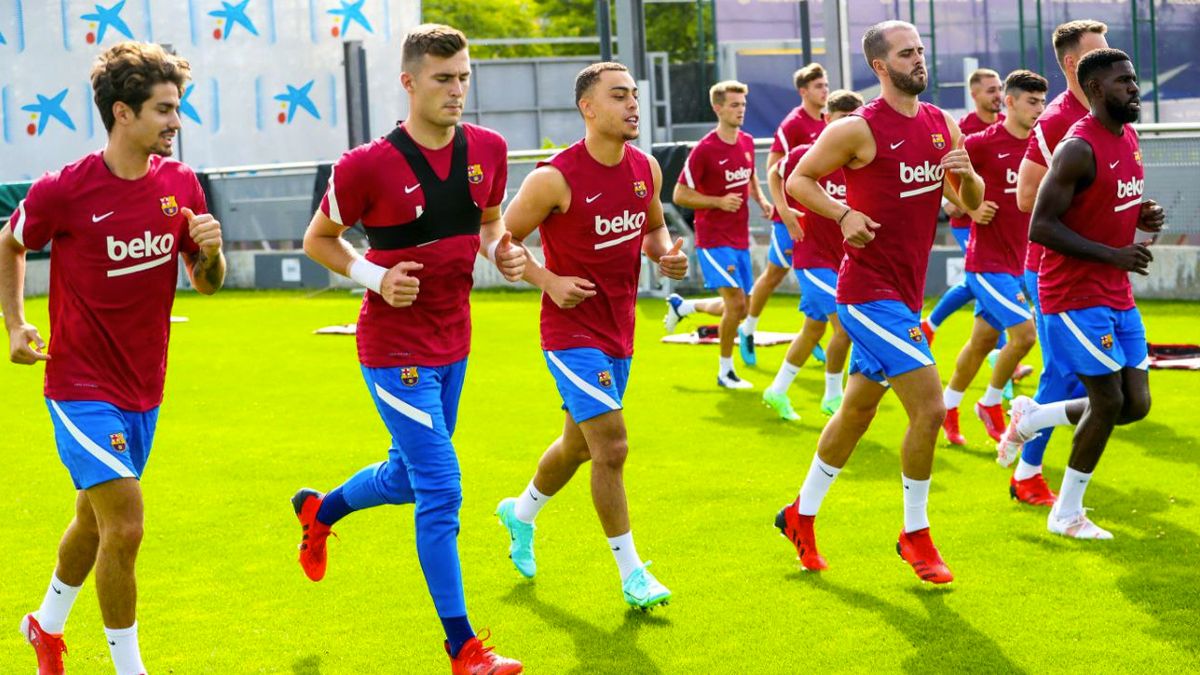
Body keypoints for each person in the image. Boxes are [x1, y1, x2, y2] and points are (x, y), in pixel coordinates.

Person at [291, 24, 523, 673]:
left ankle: (321, 508)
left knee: (403, 477)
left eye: (463, 78)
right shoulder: (366, 164)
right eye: (443, 78)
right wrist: (374, 276)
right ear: (410, 81)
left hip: (456, 340)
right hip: (394, 349)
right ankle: (463, 647)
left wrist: (500, 250)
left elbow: (489, 218)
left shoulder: (490, 148)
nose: (456, 91)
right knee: (441, 490)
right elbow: (319, 238)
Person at [3, 41, 225, 675]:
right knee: (125, 526)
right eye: (162, 110)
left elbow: (208, 284)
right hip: (78, 384)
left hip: (144, 386)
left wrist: (209, 249)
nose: (175, 122)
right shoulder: (64, 190)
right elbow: (11, 242)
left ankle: (44, 627)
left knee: (94, 519)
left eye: (177, 108)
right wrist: (16, 325)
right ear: (122, 113)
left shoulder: (181, 185)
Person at [773, 20, 983, 584]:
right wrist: (843, 215)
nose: (919, 59)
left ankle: (800, 514)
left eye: (920, 49)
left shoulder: (941, 124)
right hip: (867, 293)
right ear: (879, 67)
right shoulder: (857, 128)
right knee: (932, 409)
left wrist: (968, 177)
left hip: (906, 293)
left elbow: (970, 202)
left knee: (858, 412)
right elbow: (798, 180)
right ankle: (915, 535)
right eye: (906, 53)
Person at [494, 62, 688, 611]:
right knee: (613, 446)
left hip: (619, 330)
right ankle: (633, 574)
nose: (632, 105)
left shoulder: (644, 167)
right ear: (589, 108)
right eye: (619, 96)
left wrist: (667, 257)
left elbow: (653, 231)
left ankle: (521, 511)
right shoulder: (552, 178)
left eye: (634, 95)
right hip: (569, 332)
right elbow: (501, 245)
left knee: (577, 445)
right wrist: (548, 280)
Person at [1028, 48, 1163, 539]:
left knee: (1136, 405)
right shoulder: (1076, 147)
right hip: (1074, 294)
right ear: (1097, 89)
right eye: (1124, 81)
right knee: (1106, 402)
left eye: (1134, 78)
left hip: (1115, 290)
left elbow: (1105, 201)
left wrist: (1139, 214)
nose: (1134, 88)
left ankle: (1036, 415)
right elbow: (1041, 227)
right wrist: (1113, 255)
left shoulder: (1126, 135)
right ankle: (1065, 514)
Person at [998, 20, 1111, 507]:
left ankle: (1028, 444)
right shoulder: (1057, 120)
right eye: (1098, 54)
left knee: (1122, 384)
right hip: (1051, 268)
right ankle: (1027, 471)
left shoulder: (1110, 114)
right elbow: (1026, 199)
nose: (1111, 61)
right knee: (1064, 372)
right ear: (1072, 64)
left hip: (1099, 269)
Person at [939, 70, 1047, 446]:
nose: (1039, 109)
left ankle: (948, 407)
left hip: (1021, 262)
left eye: (1042, 102)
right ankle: (990, 403)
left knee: (983, 342)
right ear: (1011, 102)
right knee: (1024, 335)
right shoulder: (982, 142)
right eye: (1032, 101)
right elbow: (942, 177)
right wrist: (969, 208)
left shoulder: (1041, 145)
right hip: (986, 263)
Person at [760, 89, 864, 421]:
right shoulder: (807, 154)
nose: (848, 127)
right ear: (826, 120)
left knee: (812, 331)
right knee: (845, 327)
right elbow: (775, 174)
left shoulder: (861, 163)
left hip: (841, 259)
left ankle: (776, 390)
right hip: (812, 258)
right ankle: (834, 396)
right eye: (842, 119)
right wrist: (785, 212)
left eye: (855, 120)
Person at [665, 80, 772, 388]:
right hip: (713, 239)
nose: (741, 111)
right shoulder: (705, 150)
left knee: (742, 307)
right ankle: (725, 371)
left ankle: (685, 307)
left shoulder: (747, 142)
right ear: (718, 108)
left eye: (743, 105)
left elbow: (750, 175)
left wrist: (761, 200)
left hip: (739, 238)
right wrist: (717, 202)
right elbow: (680, 194)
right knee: (737, 306)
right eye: (734, 105)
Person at [740, 63, 831, 366]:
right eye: (819, 86)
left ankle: (812, 333)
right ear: (804, 91)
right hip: (792, 217)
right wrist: (783, 209)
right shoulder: (793, 124)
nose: (825, 90)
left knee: (818, 272)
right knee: (776, 274)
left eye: (826, 85)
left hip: (818, 216)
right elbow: (773, 169)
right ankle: (748, 329)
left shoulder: (828, 122)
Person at [920, 68, 1005, 343]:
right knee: (986, 279)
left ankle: (930, 325)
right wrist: (960, 205)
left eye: (1000, 88)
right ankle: (1003, 353)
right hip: (968, 223)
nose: (998, 95)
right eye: (991, 90)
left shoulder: (1006, 125)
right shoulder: (963, 129)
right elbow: (943, 171)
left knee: (979, 282)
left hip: (999, 224)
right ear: (974, 94)